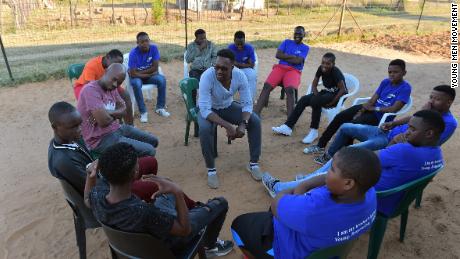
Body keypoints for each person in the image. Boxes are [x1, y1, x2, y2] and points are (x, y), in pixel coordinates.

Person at [263, 110, 444, 217]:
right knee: (336, 167)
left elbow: (363, 162)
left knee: (343, 161)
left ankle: (280, 188)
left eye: (412, 129)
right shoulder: (438, 155)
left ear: (429, 133)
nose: (407, 132)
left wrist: (394, 143)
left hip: (369, 196)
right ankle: (310, 179)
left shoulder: (404, 150)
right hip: (396, 200)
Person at [84, 142, 234, 257]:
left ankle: (195, 211)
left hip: (139, 243)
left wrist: (90, 176)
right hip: (170, 245)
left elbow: (86, 199)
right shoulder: (145, 213)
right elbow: (184, 230)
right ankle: (210, 247)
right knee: (220, 203)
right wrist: (177, 191)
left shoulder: (97, 197)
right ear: (135, 172)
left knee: (164, 193)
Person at [231, 147, 381, 259]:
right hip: (328, 247)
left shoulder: (315, 208)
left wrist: (301, 186)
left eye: (332, 170)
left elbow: (276, 203)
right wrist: (322, 181)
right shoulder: (369, 194)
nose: (326, 172)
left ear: (348, 183)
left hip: (292, 249)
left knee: (238, 224)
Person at [47, 101, 194, 204]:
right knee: (157, 186)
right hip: (106, 194)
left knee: (150, 161)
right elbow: (94, 188)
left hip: (106, 178)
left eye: (80, 124)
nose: (79, 129)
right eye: (73, 127)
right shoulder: (63, 160)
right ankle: (190, 208)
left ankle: (143, 202)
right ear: (55, 127)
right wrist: (120, 177)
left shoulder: (68, 140)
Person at [313, 85, 457, 164]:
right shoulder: (429, 109)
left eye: (437, 99)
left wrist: (397, 141)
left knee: (349, 153)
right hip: (384, 133)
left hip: (389, 143)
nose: (431, 101)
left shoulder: (449, 123)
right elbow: (412, 119)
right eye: (431, 97)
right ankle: (329, 155)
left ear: (449, 102)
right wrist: (393, 124)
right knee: (345, 126)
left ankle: (317, 176)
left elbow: (429, 144)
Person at [303, 59, 412, 155]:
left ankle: (340, 154)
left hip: (380, 116)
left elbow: (394, 109)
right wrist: (362, 110)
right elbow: (373, 99)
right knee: (341, 116)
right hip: (370, 109)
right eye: (390, 72)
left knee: (351, 125)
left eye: (395, 72)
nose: (392, 75)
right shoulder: (385, 82)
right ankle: (320, 145)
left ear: (404, 73)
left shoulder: (405, 88)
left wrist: (374, 109)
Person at [198, 49, 262, 189]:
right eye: (217, 67)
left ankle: (253, 163)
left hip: (227, 107)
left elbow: (247, 104)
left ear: (232, 67)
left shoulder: (240, 76)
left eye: (224, 68)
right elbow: (204, 109)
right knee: (204, 128)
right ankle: (211, 170)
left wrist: (243, 125)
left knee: (255, 120)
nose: (219, 71)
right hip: (210, 110)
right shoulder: (207, 76)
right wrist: (228, 126)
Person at [77, 63, 159, 156]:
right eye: (114, 79)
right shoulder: (90, 90)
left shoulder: (112, 88)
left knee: (154, 141)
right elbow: (104, 121)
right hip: (99, 140)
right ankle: (131, 168)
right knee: (150, 151)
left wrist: (107, 112)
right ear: (106, 71)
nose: (115, 84)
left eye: (119, 82)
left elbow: (124, 110)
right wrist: (112, 115)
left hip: (116, 129)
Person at [272, 52, 347, 144]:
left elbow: (343, 90)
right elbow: (314, 84)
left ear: (333, 64)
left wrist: (332, 103)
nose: (325, 65)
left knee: (315, 102)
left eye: (328, 64)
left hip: (337, 95)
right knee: (304, 99)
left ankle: (314, 131)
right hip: (327, 92)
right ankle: (288, 126)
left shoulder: (335, 72)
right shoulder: (321, 68)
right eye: (323, 62)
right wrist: (316, 94)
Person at [254, 26, 310, 118]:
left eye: (299, 34)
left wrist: (285, 56)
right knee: (267, 86)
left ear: (304, 34)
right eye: (295, 33)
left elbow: (298, 61)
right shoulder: (286, 42)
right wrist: (293, 57)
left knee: (290, 90)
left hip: (294, 71)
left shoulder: (305, 47)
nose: (297, 35)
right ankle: (256, 114)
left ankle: (290, 121)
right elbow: (278, 55)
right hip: (280, 68)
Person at [73, 49, 134, 125]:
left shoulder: (113, 71)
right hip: (83, 87)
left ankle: (130, 125)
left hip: (107, 85)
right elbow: (91, 88)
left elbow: (115, 86)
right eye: (116, 62)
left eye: (120, 64)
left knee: (125, 95)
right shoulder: (92, 65)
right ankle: (113, 124)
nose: (117, 65)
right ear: (107, 57)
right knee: (102, 103)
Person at [128, 32, 170, 123]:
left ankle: (160, 107)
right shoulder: (133, 53)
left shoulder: (154, 49)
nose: (145, 44)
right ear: (137, 43)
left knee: (161, 80)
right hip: (140, 77)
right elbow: (133, 74)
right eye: (142, 42)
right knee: (136, 83)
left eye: (146, 41)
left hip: (146, 76)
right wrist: (148, 74)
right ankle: (143, 112)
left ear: (149, 41)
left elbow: (155, 67)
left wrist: (139, 72)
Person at [185, 28, 218, 104]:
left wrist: (212, 65)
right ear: (196, 38)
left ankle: (212, 103)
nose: (204, 40)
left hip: (208, 69)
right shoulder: (191, 46)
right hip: (195, 70)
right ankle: (192, 105)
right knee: (193, 84)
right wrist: (199, 49)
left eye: (205, 38)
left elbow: (215, 56)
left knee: (214, 83)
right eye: (201, 38)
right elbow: (188, 59)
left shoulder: (211, 45)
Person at [228, 31, 257, 100]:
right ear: (234, 40)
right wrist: (244, 64)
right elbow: (228, 62)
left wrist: (237, 63)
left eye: (241, 43)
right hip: (234, 69)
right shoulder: (230, 48)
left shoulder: (249, 48)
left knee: (252, 75)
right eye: (237, 44)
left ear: (244, 40)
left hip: (246, 69)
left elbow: (252, 65)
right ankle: (227, 99)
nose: (240, 46)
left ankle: (249, 99)